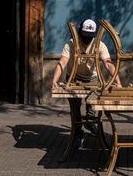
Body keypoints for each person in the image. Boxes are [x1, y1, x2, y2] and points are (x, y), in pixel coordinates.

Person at [52, 19, 122, 147]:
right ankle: (77, 133)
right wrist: (54, 81)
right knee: (75, 108)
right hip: (73, 78)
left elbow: (108, 63)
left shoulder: (99, 45)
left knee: (92, 106)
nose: (87, 40)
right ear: (80, 33)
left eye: (90, 37)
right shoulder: (71, 44)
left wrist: (117, 82)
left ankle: (90, 122)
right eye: (85, 36)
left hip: (92, 78)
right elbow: (62, 62)